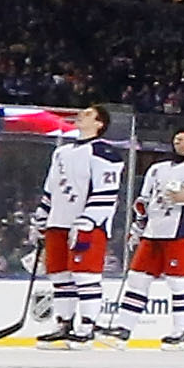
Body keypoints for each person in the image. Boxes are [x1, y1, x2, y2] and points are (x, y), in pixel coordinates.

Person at [108, 125, 184, 348]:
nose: (183, 144)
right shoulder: (156, 169)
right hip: (153, 232)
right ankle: (123, 329)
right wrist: (138, 226)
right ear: (173, 142)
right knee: (137, 278)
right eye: (179, 140)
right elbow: (144, 200)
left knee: (179, 283)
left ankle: (180, 332)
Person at [35, 104, 129, 345]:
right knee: (60, 276)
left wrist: (88, 220)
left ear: (100, 124)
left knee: (85, 276)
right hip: (58, 222)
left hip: (87, 225)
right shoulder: (61, 152)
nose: (80, 115)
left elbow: (106, 193)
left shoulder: (105, 154)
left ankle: (87, 326)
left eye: (88, 114)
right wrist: (41, 218)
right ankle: (64, 323)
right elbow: (50, 188)